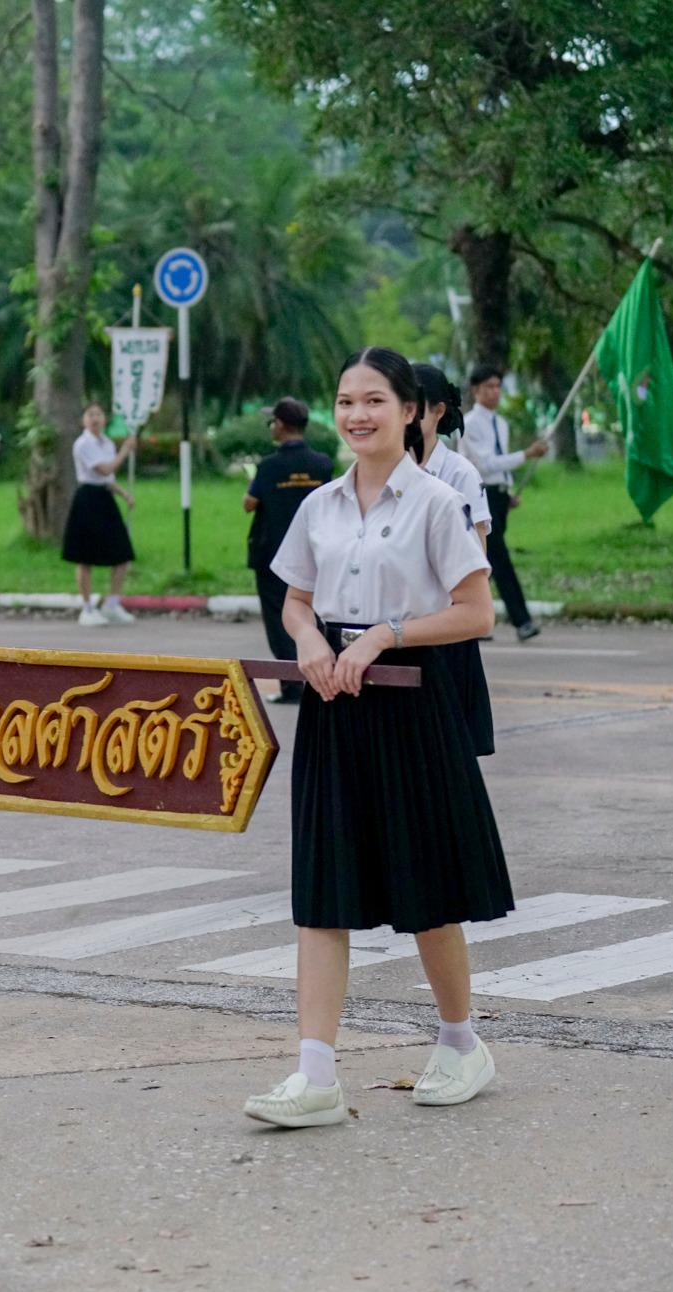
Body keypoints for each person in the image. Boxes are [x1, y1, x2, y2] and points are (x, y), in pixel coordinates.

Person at [244, 346, 513, 1129]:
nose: (357, 414)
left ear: (409, 411)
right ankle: (315, 1072)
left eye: (374, 401)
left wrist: (384, 635)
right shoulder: (319, 504)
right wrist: (309, 640)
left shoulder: (434, 503)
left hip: (410, 702)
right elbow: (296, 599)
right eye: (346, 401)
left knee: (425, 886)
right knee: (322, 889)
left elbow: (476, 611)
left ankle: (462, 1043)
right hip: (334, 703)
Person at [415, 362, 495, 756]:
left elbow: (478, 553)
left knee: (448, 749)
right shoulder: (383, 469)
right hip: (400, 626)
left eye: (413, 406)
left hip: (446, 627)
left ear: (438, 412)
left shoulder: (458, 474)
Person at [243, 398, 333, 702]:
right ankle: (321, 676)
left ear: (280, 424)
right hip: (316, 551)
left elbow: (249, 504)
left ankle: (291, 684)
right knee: (315, 614)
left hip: (272, 552)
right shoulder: (322, 464)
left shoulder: (268, 466)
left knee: (281, 617)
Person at [460, 365, 548, 641]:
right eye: (488, 387)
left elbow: (499, 466)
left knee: (482, 562)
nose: (494, 392)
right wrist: (526, 454)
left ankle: (472, 621)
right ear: (475, 390)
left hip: (497, 495)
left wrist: (507, 491)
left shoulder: (501, 424)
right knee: (498, 558)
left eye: (498, 386)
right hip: (479, 494)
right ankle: (522, 621)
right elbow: (484, 465)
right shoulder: (470, 424)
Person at [63, 402, 138, 626]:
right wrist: (125, 450)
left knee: (122, 552)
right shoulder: (82, 444)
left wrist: (124, 494)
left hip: (105, 497)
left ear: (104, 419)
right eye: (90, 414)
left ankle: (112, 604)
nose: (95, 418)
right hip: (88, 499)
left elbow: (108, 479)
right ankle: (86, 608)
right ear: (83, 420)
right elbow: (104, 469)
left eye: (99, 414)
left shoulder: (106, 443)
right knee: (86, 557)